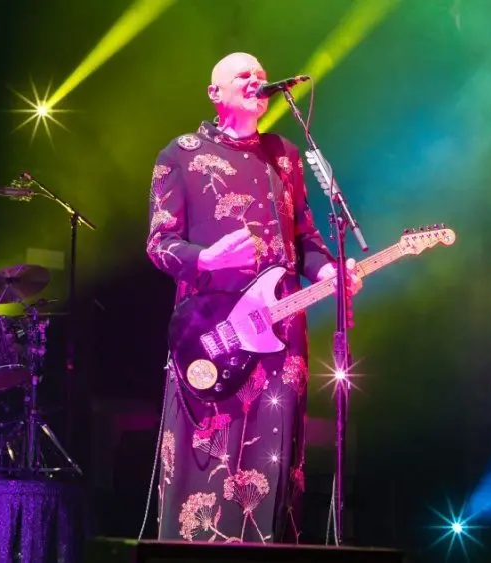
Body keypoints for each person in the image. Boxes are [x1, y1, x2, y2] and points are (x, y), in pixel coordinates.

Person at [145, 52, 361, 543]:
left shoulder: (284, 154)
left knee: (278, 462)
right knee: (206, 456)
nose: (256, 79)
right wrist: (207, 259)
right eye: (242, 73)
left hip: (281, 332)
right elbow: (158, 243)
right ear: (214, 92)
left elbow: (304, 238)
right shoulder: (180, 155)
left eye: (260, 75)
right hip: (209, 334)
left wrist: (330, 268)